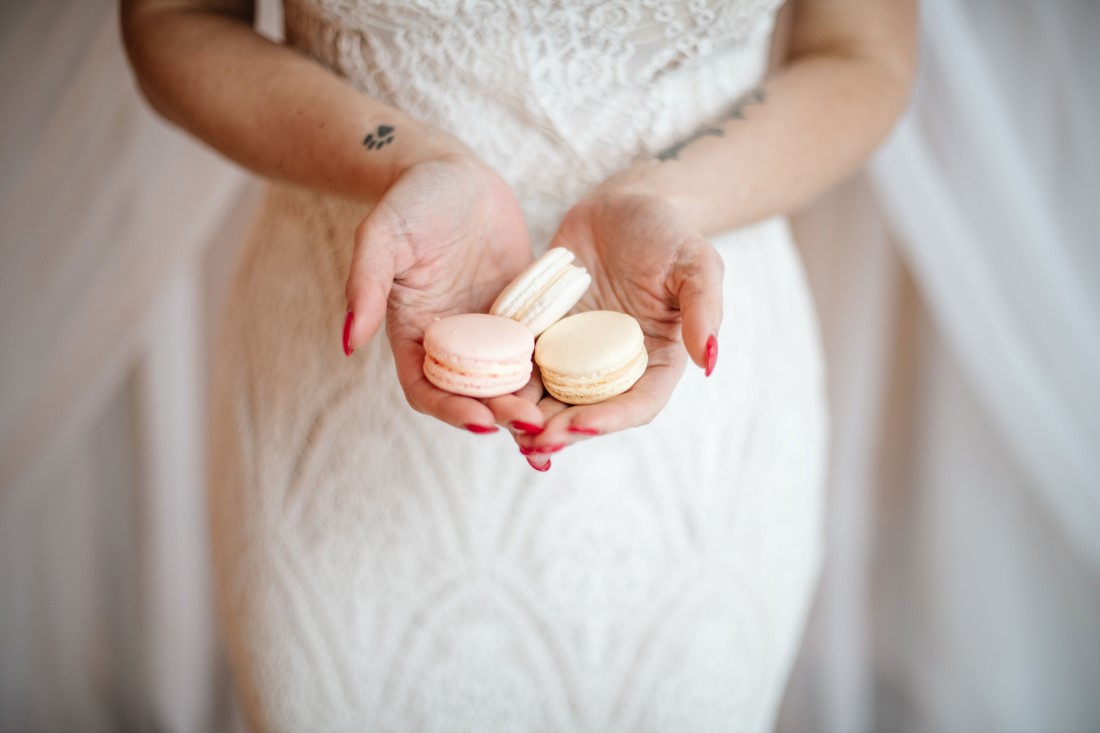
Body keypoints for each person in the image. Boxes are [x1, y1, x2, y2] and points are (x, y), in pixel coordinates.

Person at [121, 0, 915, 729]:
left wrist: (677, 196)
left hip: (681, 340)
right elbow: (171, 20)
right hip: (352, 369)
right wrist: (399, 161)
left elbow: (860, 53)